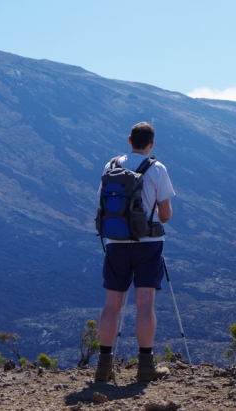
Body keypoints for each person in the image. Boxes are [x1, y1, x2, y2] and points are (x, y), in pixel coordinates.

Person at [94, 122, 175, 382]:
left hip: (115, 243)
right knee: (145, 303)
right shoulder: (157, 168)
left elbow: (102, 203)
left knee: (111, 304)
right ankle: (146, 365)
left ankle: (104, 366)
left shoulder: (111, 166)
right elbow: (165, 214)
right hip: (148, 244)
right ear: (151, 143)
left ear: (129, 140)